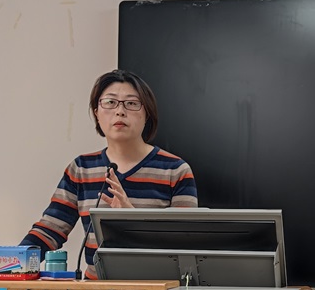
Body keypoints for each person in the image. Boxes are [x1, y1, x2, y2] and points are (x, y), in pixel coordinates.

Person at [21, 69, 197, 279]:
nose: (120, 111)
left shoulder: (175, 170)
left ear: (147, 114)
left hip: (155, 288)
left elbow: (185, 245)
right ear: (96, 112)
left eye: (131, 103)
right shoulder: (82, 168)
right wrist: (14, 263)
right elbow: (50, 230)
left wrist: (133, 220)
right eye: (110, 102)